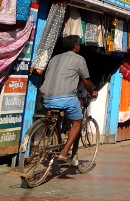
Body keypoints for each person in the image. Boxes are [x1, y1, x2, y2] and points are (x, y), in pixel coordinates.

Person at [40, 35, 97, 164]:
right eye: (79, 45)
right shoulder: (78, 59)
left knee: (60, 116)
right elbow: (85, 80)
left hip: (47, 97)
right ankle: (64, 152)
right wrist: (91, 91)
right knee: (77, 122)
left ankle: (57, 140)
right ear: (76, 46)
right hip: (65, 98)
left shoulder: (54, 58)